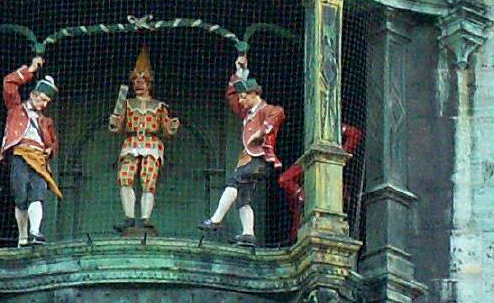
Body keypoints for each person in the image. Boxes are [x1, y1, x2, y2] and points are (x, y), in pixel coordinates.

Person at [199, 54, 285, 247]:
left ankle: (216, 220)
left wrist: (262, 132)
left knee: (233, 181)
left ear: (255, 94)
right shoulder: (247, 111)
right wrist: (240, 72)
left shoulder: (265, 109)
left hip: (259, 160)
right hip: (248, 160)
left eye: (245, 96)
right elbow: (231, 96)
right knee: (243, 198)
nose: (241, 100)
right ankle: (248, 234)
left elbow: (278, 113)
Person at [109, 47, 180, 233]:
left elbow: (166, 129)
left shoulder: (159, 106)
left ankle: (146, 218)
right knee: (125, 177)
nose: (139, 84)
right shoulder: (126, 104)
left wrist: (172, 125)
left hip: (151, 144)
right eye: (136, 81)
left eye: (143, 80)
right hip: (131, 143)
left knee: (148, 180)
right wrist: (114, 122)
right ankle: (129, 217)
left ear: (149, 83)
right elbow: (117, 127)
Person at [0, 56, 61, 246]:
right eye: (42, 99)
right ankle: (23, 236)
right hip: (19, 154)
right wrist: (31, 70)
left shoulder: (45, 121)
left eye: (47, 102)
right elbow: (9, 83)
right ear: (33, 94)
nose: (44, 104)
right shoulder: (16, 108)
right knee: (21, 196)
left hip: (39, 159)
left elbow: (53, 142)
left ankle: (35, 232)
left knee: (38, 194)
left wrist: (50, 149)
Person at [276, 123, 364, 243]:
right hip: (306, 225)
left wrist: (335, 128)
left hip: (335, 215)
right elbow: (283, 179)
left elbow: (355, 134)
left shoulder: (337, 157)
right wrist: (301, 193)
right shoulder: (307, 162)